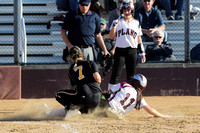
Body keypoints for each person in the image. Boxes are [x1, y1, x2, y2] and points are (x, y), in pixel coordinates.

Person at [50, 46, 102, 117]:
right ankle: (78, 111)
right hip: (97, 99)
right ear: (81, 54)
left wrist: (71, 104)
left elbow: (73, 86)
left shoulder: (71, 68)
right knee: (84, 108)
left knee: (58, 94)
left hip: (84, 99)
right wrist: (96, 86)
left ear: (71, 57)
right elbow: (97, 77)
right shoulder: (90, 63)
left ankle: (73, 109)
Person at [108, 0, 146, 90]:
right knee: (115, 74)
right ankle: (110, 95)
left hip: (132, 51)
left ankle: (131, 96)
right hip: (120, 51)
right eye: (124, 10)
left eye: (128, 10)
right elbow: (111, 36)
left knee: (131, 76)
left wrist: (142, 51)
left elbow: (139, 38)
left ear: (132, 11)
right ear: (122, 11)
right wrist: (114, 26)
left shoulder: (136, 23)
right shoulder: (117, 22)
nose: (127, 12)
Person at [106, 74, 171, 119]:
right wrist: (162, 115)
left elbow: (109, 91)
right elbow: (151, 110)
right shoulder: (139, 98)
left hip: (108, 106)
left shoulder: (124, 84)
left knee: (103, 97)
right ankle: (114, 113)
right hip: (118, 113)